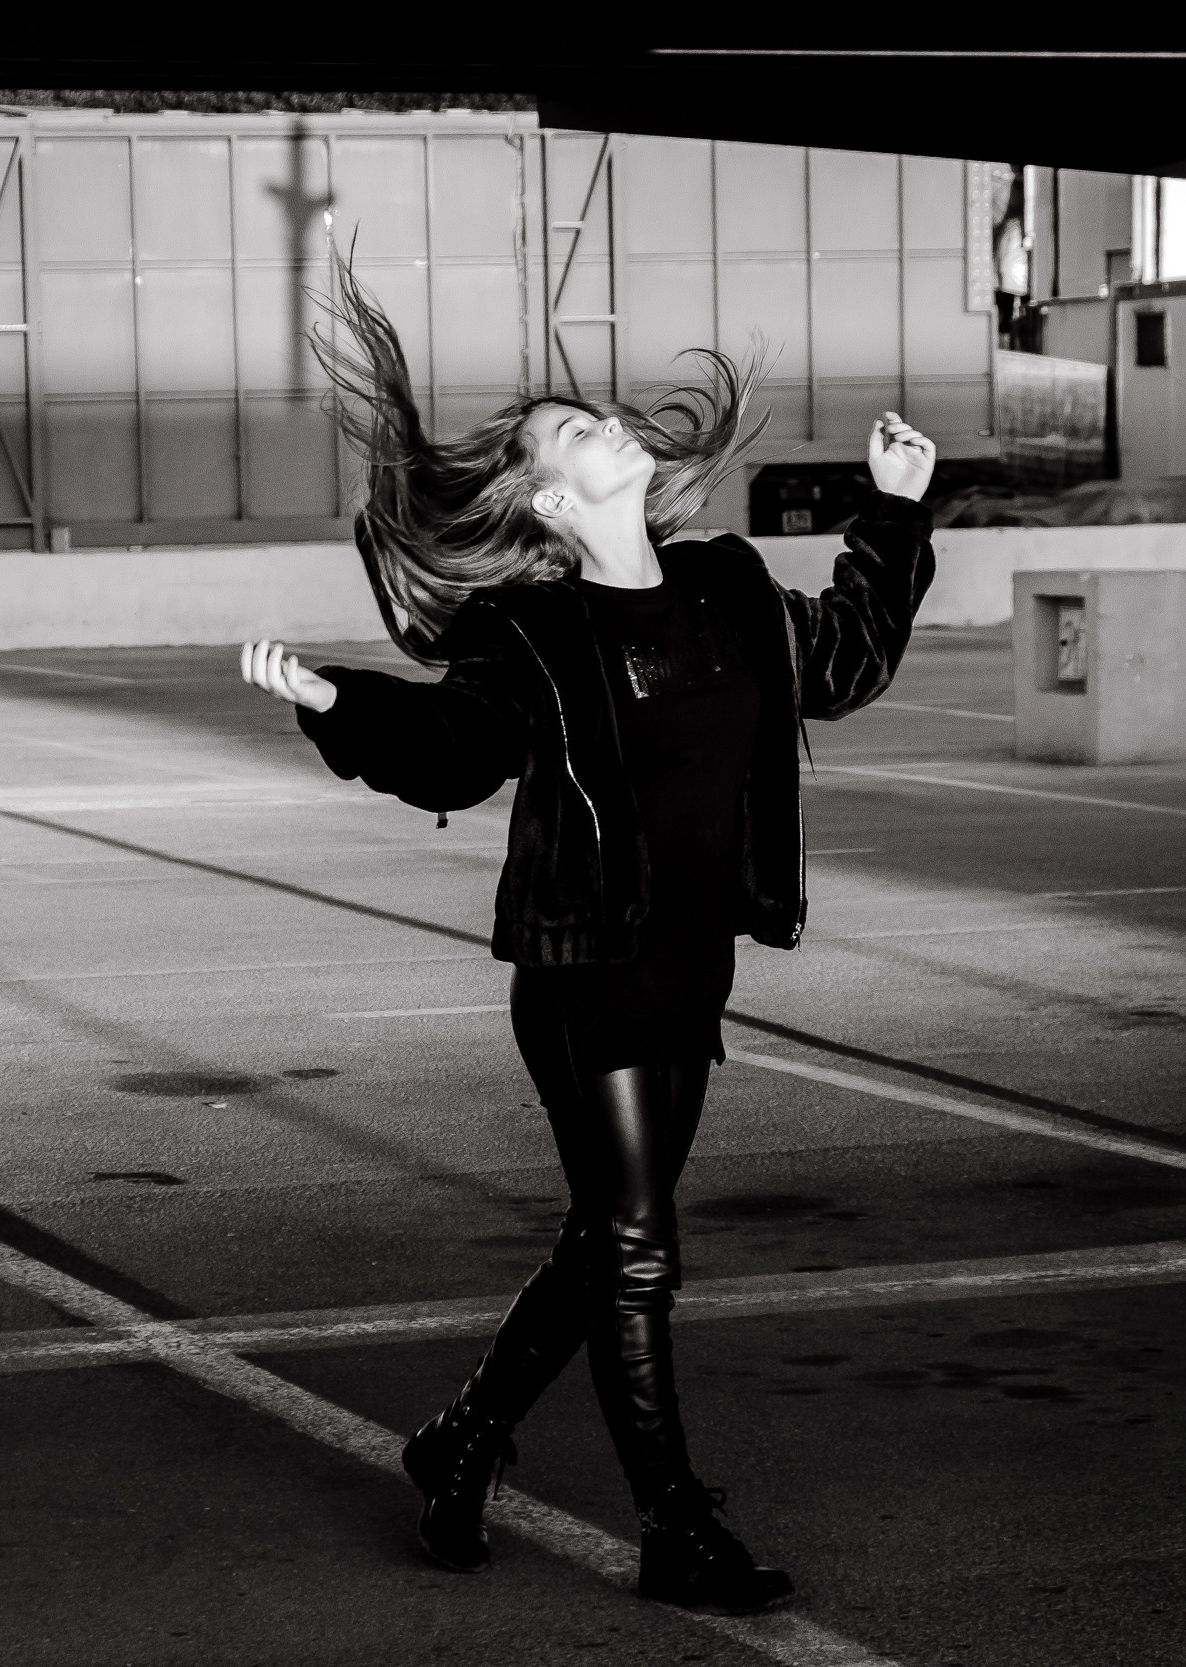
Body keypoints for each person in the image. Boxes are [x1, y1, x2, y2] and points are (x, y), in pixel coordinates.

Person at [239, 257, 936, 1616]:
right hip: (582, 971)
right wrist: (339, 702)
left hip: (690, 971)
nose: (609, 423)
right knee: (635, 1251)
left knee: (606, 1238)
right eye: (575, 430)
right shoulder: (532, 631)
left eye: (595, 413)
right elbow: (452, 751)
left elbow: (844, 660)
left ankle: (461, 1436)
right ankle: (677, 1525)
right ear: (554, 500)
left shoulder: (729, 586)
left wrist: (893, 516)